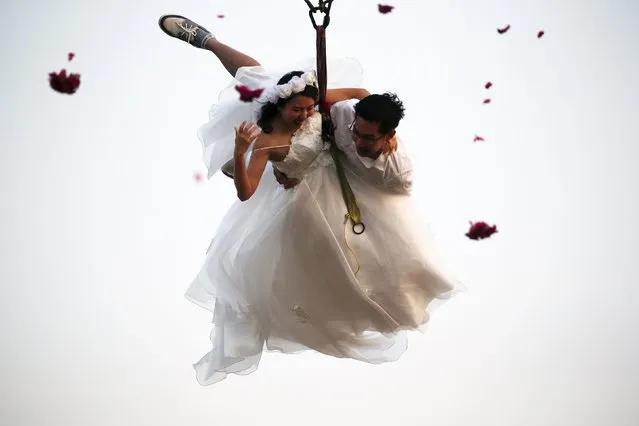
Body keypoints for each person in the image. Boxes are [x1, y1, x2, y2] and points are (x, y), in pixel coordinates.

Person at [159, 14, 461, 385]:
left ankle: (256, 138)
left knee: (347, 257)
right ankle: (209, 41)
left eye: (308, 109)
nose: (306, 116)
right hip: (294, 170)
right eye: (298, 111)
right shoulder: (303, 128)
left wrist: (359, 143)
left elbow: (362, 117)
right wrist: (256, 141)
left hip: (332, 183)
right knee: (261, 81)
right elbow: (248, 189)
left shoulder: (364, 146)